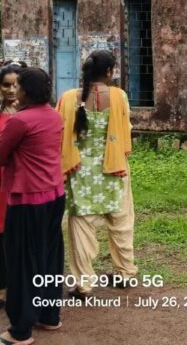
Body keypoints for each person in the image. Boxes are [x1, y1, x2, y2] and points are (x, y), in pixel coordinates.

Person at [58, 50, 137, 300]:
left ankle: (83, 285)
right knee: (121, 221)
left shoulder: (69, 98)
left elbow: (59, 133)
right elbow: (126, 128)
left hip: (80, 170)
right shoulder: (118, 96)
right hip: (114, 167)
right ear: (110, 72)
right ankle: (125, 273)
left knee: (81, 226)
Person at [0, 68, 65, 343]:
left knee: (23, 264)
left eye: (19, 87)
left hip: (27, 200)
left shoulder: (20, 121)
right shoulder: (55, 115)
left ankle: (20, 330)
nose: (16, 91)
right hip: (55, 195)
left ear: (26, 90)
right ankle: (49, 316)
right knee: (49, 258)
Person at [0, 62, 26, 312]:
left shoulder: (30, 114)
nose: (11, 90)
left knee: (18, 236)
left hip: (21, 183)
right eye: (6, 85)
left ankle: (20, 285)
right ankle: (3, 286)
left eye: (16, 85)